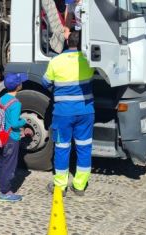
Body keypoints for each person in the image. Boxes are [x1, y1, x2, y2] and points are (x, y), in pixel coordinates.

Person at [42, 31, 95, 196]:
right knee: (84, 147)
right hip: (86, 111)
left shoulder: (55, 61)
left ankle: (60, 185)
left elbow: (45, 82)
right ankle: (79, 186)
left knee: (62, 147)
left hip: (63, 113)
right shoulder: (89, 61)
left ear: (67, 42)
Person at [0, 72, 28, 202]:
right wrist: (24, 121)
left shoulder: (2, 98)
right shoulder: (16, 103)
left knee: (1, 160)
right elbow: (14, 123)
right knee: (9, 164)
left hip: (1, 135)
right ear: (18, 86)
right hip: (11, 137)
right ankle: (5, 191)